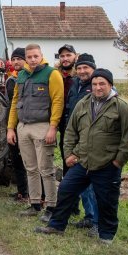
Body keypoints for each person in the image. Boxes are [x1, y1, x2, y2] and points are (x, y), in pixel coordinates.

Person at [35, 68, 128, 244]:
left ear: (110, 85)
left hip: (106, 164)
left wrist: (118, 161)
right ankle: (56, 225)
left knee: (107, 201)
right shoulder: (83, 103)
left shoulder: (122, 107)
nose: (98, 87)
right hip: (82, 161)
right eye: (95, 84)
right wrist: (69, 155)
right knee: (65, 190)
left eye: (102, 84)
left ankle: (106, 235)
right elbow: (71, 131)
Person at [7, 43, 64, 222]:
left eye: (35, 56)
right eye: (29, 57)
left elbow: (57, 101)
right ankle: (34, 204)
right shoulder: (21, 76)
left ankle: (52, 206)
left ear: (41, 56)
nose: (32, 60)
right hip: (23, 127)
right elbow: (16, 102)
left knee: (45, 169)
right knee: (30, 168)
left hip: (42, 127)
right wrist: (11, 128)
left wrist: (53, 127)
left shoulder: (52, 74)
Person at [65, 53, 99, 231]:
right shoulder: (76, 84)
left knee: (92, 182)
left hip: (91, 141)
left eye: (86, 67)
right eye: (79, 68)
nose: (82, 71)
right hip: (77, 138)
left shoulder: (98, 86)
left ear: (93, 68)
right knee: (83, 183)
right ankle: (88, 216)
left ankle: (96, 221)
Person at [5, 48, 28, 202]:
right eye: (14, 59)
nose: (16, 62)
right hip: (13, 125)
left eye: (19, 58)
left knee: (30, 161)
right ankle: (22, 192)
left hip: (26, 125)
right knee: (17, 160)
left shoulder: (28, 78)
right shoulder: (10, 79)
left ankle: (39, 195)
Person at [56, 44, 77, 177]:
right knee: (65, 151)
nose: (65, 58)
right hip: (63, 121)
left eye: (68, 55)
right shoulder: (56, 75)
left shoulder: (80, 75)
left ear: (75, 56)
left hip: (78, 120)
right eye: (62, 56)